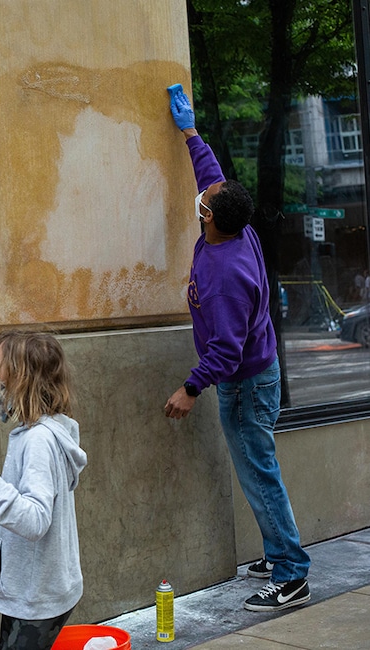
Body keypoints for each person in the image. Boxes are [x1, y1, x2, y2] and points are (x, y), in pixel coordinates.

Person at [164, 85, 312, 612]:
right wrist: (189, 131)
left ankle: (292, 574)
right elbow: (212, 177)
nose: (205, 193)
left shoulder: (225, 274)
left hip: (245, 383)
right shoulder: (233, 226)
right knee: (257, 465)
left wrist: (190, 388)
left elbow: (225, 353)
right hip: (250, 377)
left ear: (209, 218)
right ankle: (279, 553)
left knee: (258, 470)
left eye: (205, 200)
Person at [0, 331, 87, 650]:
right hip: (38, 589)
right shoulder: (45, 429)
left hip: (37, 598)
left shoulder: (39, 440)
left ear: (19, 379)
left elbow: (34, 520)